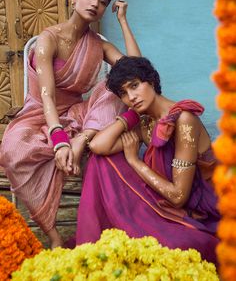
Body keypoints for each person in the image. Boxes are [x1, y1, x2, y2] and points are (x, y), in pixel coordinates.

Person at [0, 0, 141, 248]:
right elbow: (47, 96)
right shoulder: (48, 39)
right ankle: (54, 237)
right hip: (39, 113)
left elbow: (137, 73)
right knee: (13, 149)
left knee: (113, 88)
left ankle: (83, 138)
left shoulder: (98, 45)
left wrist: (124, 21)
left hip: (79, 116)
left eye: (102, 1)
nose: (95, 4)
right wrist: (58, 139)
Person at [76, 56, 220, 264]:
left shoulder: (184, 120)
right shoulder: (146, 124)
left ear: (151, 82)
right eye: (123, 93)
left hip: (202, 211)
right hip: (164, 201)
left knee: (180, 246)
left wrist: (135, 162)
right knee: (102, 162)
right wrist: (131, 116)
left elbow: (179, 196)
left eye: (134, 86)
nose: (131, 97)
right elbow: (99, 146)